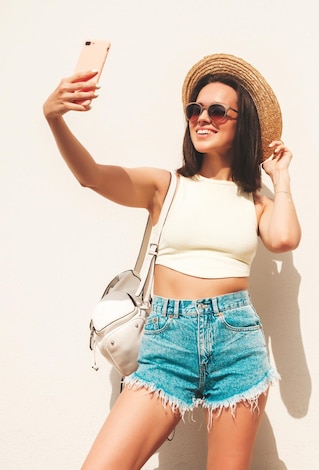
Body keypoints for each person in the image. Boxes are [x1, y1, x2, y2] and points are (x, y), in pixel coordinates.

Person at [43, 53, 301, 470]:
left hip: (236, 343)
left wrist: (281, 179)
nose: (203, 118)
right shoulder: (165, 186)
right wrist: (55, 118)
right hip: (166, 341)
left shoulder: (256, 199)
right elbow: (90, 175)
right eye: (195, 109)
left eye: (217, 111)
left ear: (242, 124)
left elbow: (285, 238)